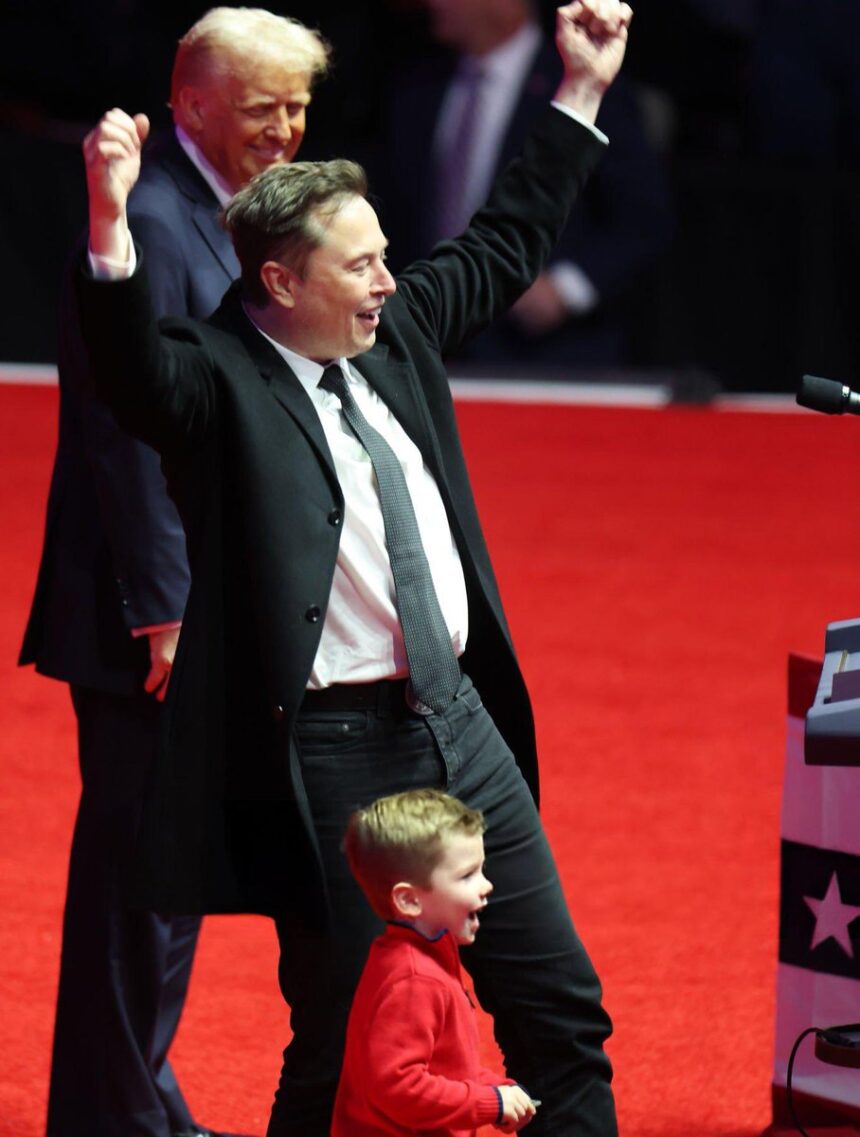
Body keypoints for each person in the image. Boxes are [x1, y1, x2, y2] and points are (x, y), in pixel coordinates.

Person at [75, 3, 631, 1134]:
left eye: (385, 256)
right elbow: (130, 374)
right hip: (333, 753)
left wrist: (579, 90)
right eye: (362, 264)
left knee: (562, 1012)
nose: (388, 279)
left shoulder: (397, 333)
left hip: (459, 720)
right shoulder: (213, 375)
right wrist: (108, 221)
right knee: (338, 1035)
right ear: (282, 283)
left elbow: (504, 240)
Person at [18, 10, 329, 1137]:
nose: (285, 129)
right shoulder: (150, 217)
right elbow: (124, 427)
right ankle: (120, 1117)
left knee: (163, 875)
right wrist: (166, 609)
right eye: (263, 109)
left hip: (193, 595)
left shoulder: (226, 209)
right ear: (191, 104)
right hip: (148, 610)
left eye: (298, 107)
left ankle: (132, 1103)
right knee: (137, 881)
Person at [379, 0, 672, 371]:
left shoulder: (587, 82)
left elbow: (644, 217)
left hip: (544, 356)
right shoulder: (417, 88)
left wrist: (566, 289)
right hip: (429, 346)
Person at [334, 788, 536, 1135]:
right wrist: (488, 1102)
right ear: (409, 900)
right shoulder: (416, 979)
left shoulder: (418, 956)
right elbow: (398, 1088)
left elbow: (445, 1069)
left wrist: (495, 1091)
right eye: (467, 875)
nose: (487, 885)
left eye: (482, 870)